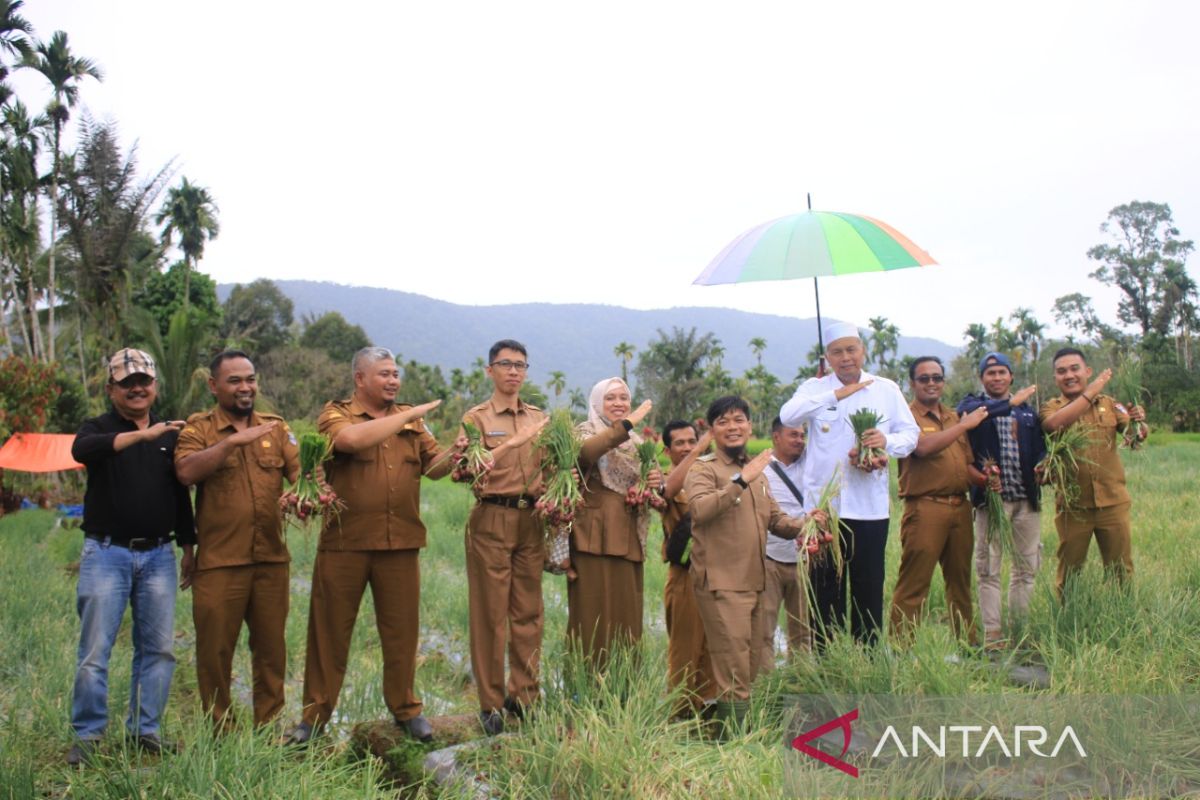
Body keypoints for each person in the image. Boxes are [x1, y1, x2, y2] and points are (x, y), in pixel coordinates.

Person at [286, 347, 452, 745]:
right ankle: (314, 717)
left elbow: (436, 467)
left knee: (402, 632)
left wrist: (462, 453)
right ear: (360, 379)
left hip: (401, 543)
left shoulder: (414, 421)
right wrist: (407, 416)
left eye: (396, 373)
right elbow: (349, 442)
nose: (393, 380)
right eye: (384, 374)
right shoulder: (337, 414)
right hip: (347, 543)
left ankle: (406, 709)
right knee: (330, 632)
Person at [68, 348, 195, 765]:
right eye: (127, 383)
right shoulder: (98, 428)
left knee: (158, 649)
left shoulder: (173, 433)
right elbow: (82, 450)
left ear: (155, 386)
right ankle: (88, 735)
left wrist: (188, 546)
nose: (137, 388)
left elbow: (180, 493)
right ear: (111, 389)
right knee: (94, 652)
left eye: (144, 381)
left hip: (159, 555)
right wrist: (142, 436)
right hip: (107, 553)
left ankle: (146, 730)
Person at [174, 350, 300, 730]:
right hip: (219, 563)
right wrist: (231, 442)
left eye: (250, 379)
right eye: (235, 380)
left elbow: (302, 473)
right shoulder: (198, 430)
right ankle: (220, 731)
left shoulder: (276, 428)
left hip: (270, 561)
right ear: (214, 386)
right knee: (214, 653)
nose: (245, 387)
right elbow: (184, 472)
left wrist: (307, 492)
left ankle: (269, 727)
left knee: (271, 651)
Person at [779, 322, 919, 648]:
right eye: (837, 352)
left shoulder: (885, 389)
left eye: (851, 350)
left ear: (863, 351)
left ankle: (866, 663)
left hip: (869, 509)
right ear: (827, 357)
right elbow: (788, 416)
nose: (845, 358)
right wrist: (834, 394)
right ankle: (829, 664)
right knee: (825, 590)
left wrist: (885, 441)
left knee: (868, 589)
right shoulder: (814, 389)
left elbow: (910, 436)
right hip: (825, 512)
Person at [685, 396, 818, 733]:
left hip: (756, 582)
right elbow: (699, 511)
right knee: (732, 669)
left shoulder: (758, 475)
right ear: (712, 430)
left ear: (750, 426)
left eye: (739, 420)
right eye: (724, 421)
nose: (733, 427)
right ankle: (733, 746)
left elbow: (775, 520)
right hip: (721, 584)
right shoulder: (705, 469)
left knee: (753, 665)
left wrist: (809, 521)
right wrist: (740, 480)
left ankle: (747, 734)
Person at [461, 340, 552, 736]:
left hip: (531, 519)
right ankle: (491, 703)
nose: (513, 372)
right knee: (490, 614)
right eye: (505, 364)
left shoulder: (540, 418)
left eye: (520, 365)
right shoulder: (477, 418)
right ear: (490, 370)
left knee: (529, 613)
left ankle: (525, 695)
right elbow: (466, 469)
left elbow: (552, 466)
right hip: (492, 517)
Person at [889, 357, 988, 643]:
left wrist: (984, 478)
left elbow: (966, 463)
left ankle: (967, 645)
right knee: (914, 582)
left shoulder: (953, 417)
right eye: (924, 379)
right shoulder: (906, 417)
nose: (931, 383)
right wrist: (965, 426)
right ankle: (900, 648)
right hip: (925, 508)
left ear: (943, 382)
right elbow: (922, 448)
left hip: (959, 506)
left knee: (960, 583)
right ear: (912, 384)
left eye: (937, 378)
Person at [956, 352, 1045, 649]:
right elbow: (971, 415)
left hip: (1026, 501)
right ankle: (993, 634)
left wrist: (1044, 465)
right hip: (992, 501)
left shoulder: (1028, 414)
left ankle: (1020, 631)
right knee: (988, 568)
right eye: (990, 373)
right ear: (982, 378)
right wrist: (1011, 402)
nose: (996, 377)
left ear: (1011, 377)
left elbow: (1040, 449)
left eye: (1001, 373)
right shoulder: (973, 406)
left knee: (1025, 568)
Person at [567, 377, 658, 668]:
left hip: (629, 535)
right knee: (590, 612)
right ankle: (585, 686)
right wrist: (626, 426)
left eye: (623, 397)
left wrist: (656, 480)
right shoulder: (585, 432)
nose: (619, 403)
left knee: (627, 613)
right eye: (611, 398)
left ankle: (624, 688)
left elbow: (653, 482)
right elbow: (587, 453)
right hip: (592, 536)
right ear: (597, 403)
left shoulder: (639, 445)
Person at [1040, 348, 1144, 596]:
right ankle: (1069, 621)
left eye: (1075, 369)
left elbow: (1133, 434)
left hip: (1113, 502)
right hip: (1074, 506)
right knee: (1070, 573)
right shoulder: (1051, 408)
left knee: (1121, 571)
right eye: (1062, 371)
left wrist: (1141, 423)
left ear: (1087, 371)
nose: (1069, 375)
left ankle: (1123, 618)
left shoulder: (1110, 405)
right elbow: (1054, 426)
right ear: (1055, 377)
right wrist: (1091, 391)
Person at [657, 419, 713, 716]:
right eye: (680, 443)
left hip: (716, 575)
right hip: (685, 577)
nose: (688, 447)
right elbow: (665, 493)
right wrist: (702, 448)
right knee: (684, 651)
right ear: (668, 450)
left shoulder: (713, 475)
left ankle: (706, 715)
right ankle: (678, 714)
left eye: (693, 441)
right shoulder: (664, 478)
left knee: (711, 650)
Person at [759, 417, 811, 668]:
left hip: (804, 560)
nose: (800, 440)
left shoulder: (812, 465)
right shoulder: (760, 469)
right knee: (763, 630)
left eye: (802, 435)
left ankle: (800, 681)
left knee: (803, 629)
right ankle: (765, 688)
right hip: (769, 560)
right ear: (776, 437)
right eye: (793, 435)